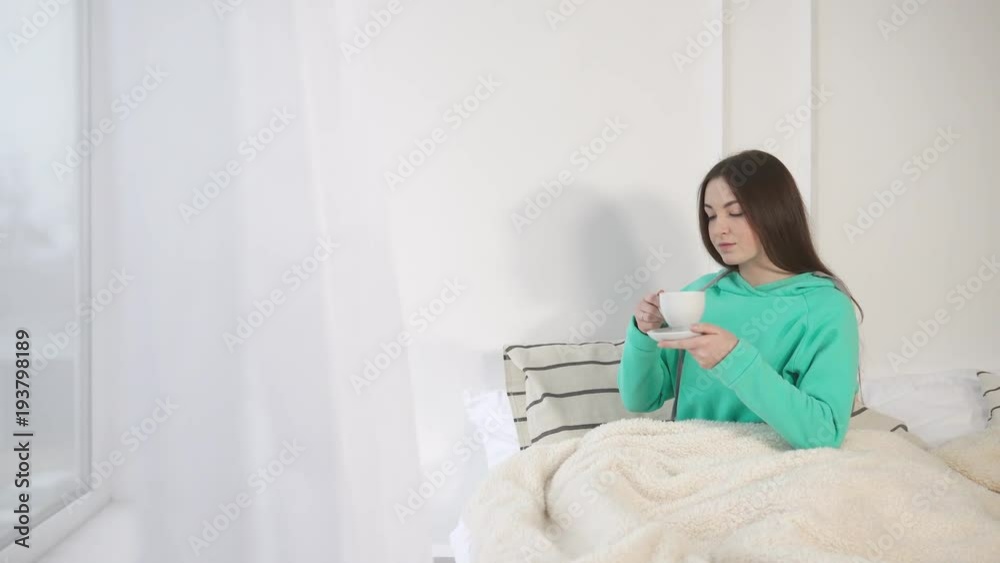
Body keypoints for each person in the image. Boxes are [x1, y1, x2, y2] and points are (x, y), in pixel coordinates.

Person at [617, 150, 862, 449]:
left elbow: (825, 433)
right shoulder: (700, 294)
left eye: (736, 212)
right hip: (686, 461)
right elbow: (640, 399)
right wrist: (644, 333)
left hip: (769, 472)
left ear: (775, 211)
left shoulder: (826, 307)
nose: (719, 228)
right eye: (710, 215)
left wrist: (734, 359)